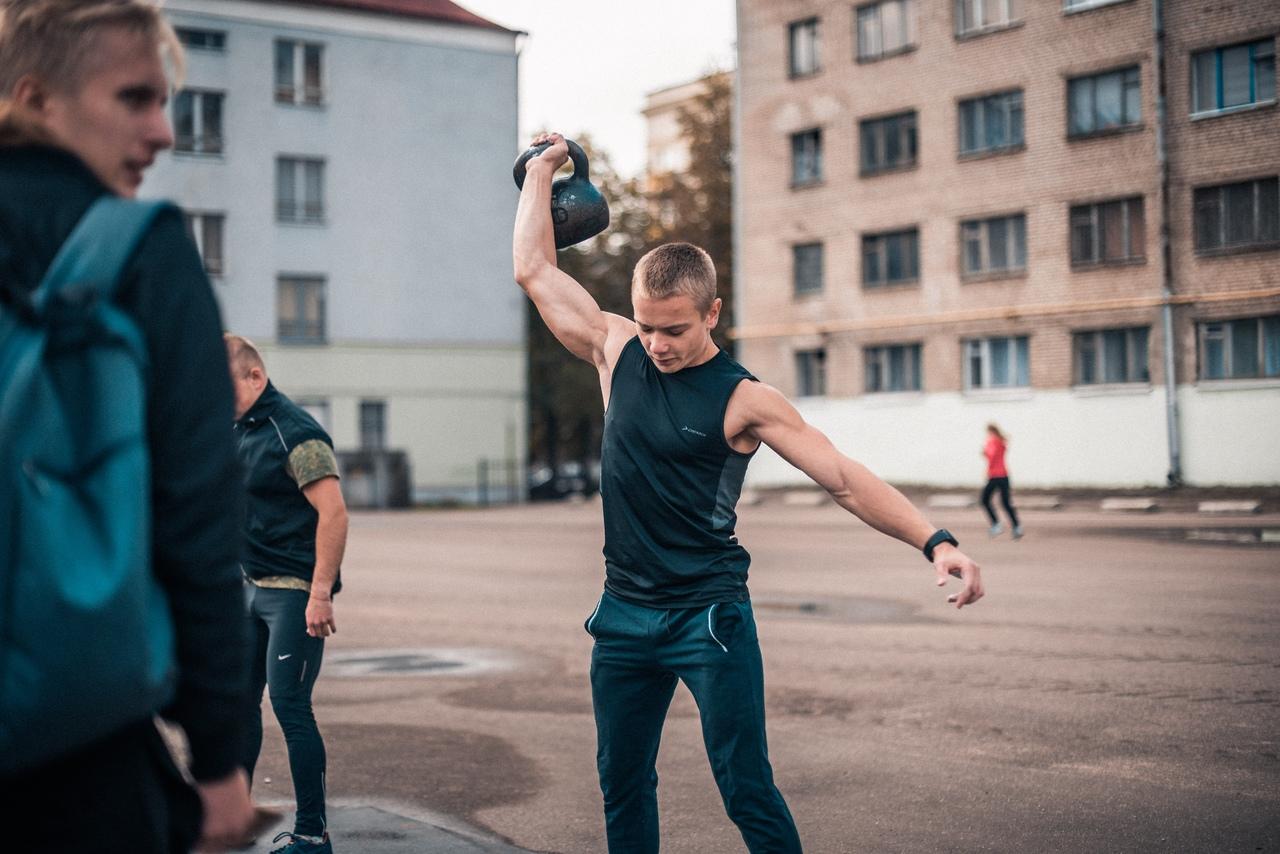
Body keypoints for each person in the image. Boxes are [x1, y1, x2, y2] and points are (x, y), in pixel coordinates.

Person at [513, 132, 985, 853]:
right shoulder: (617, 350)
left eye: (673, 329)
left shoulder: (744, 400)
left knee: (745, 785)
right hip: (623, 614)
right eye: (647, 326)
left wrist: (937, 541)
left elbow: (843, 478)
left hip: (708, 618)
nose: (657, 344)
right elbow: (534, 268)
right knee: (621, 781)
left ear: (711, 313)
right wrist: (543, 170)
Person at [0, 1, 254, 851]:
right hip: (77, 755)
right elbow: (198, 519)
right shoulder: (140, 252)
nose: (164, 132)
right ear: (37, 98)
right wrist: (220, 758)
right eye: (137, 99)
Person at [226, 334, 348, 854]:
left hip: (293, 594)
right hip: (248, 588)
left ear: (255, 377)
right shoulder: (235, 429)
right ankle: (231, 818)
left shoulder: (295, 433)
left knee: (290, 706)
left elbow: (335, 513)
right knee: (239, 706)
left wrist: (320, 592)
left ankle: (312, 834)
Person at [980, 423, 1022, 539]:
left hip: (994, 475)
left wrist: (985, 453)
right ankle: (1017, 527)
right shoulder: (1002, 441)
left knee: (984, 500)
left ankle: (996, 524)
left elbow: (992, 455)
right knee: (1006, 502)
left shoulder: (992, 440)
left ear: (990, 430)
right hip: (1004, 475)